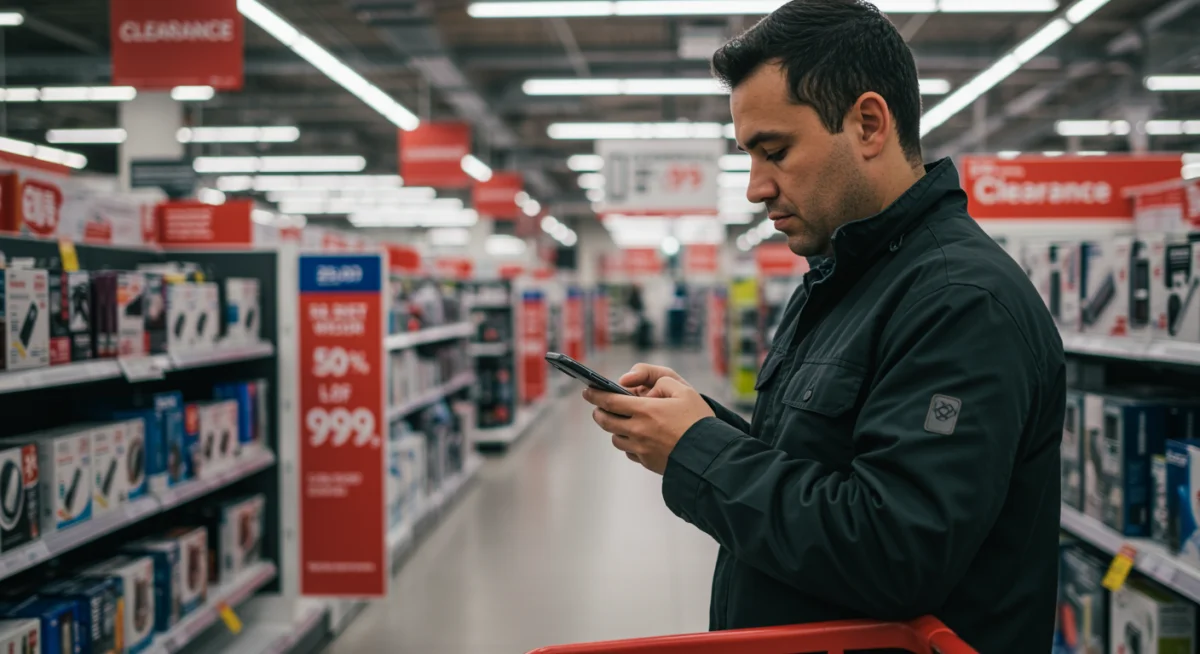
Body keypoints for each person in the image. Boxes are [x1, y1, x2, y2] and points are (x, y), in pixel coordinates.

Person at [581, 1, 1064, 652]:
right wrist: (702, 423)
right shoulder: (844, 280)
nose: (755, 187)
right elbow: (822, 467)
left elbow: (896, 550)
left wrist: (694, 452)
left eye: (774, 151)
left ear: (868, 124)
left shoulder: (962, 304)